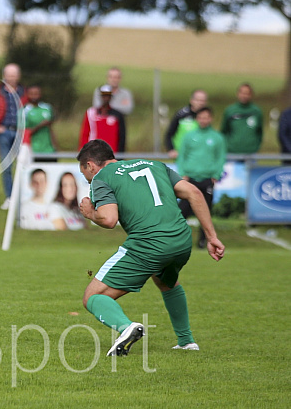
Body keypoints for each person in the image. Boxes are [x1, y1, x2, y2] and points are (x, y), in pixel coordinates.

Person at [77, 139, 225, 356]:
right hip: (181, 240)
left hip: (149, 243)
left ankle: (126, 327)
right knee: (166, 280)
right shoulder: (154, 165)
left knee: (92, 297)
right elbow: (194, 193)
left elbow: (109, 219)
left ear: (90, 165)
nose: (89, 182)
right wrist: (212, 237)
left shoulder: (102, 177)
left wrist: (90, 213)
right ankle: (186, 341)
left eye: (85, 176)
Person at [177, 107, 226, 249]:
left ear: (211, 119)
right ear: (197, 119)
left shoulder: (217, 137)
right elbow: (182, 155)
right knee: (181, 212)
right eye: (201, 117)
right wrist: (183, 173)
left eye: (206, 117)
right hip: (190, 178)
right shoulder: (189, 136)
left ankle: (204, 241)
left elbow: (220, 157)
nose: (203, 120)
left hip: (207, 179)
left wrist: (216, 174)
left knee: (205, 213)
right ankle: (175, 239)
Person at [0, 63, 28, 210]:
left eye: (14, 75)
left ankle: (25, 197)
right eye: (9, 75)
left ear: (18, 76)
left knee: (24, 165)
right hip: (4, 133)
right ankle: (10, 197)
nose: (11, 78)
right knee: (7, 166)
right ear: (4, 76)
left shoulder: (25, 93)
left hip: (21, 133)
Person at [78, 85, 126, 153]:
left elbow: (121, 137)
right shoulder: (91, 113)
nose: (106, 98)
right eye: (104, 95)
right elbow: (85, 133)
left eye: (108, 95)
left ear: (111, 97)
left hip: (112, 153)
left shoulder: (117, 115)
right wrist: (84, 150)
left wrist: (120, 155)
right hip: (94, 153)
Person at [221, 83, 264, 156]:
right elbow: (224, 131)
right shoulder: (230, 111)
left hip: (251, 153)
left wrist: (256, 147)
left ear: (251, 95)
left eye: (247, 94)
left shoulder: (257, 112)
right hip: (233, 152)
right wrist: (228, 146)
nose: (244, 96)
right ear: (237, 94)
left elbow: (259, 132)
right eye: (242, 93)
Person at [164, 89, 208, 159]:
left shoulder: (207, 117)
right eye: (198, 100)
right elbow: (169, 134)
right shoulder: (181, 115)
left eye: (203, 101)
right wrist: (171, 149)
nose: (201, 103)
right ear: (191, 100)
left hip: (199, 156)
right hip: (181, 155)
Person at [23, 85, 56, 162]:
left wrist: (55, 145)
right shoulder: (25, 111)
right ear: (27, 95)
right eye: (32, 94)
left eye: (36, 93)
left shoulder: (47, 108)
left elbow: (50, 127)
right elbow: (25, 133)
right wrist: (40, 125)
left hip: (48, 148)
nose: (34, 96)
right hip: (34, 148)